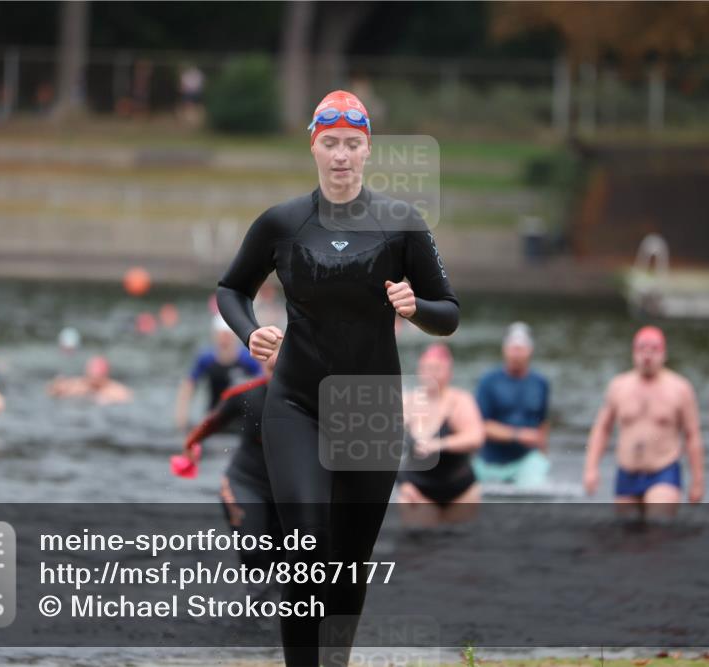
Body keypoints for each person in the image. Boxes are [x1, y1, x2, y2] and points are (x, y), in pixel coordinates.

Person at [216, 89, 459, 667]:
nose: (342, 155)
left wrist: (414, 305)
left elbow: (448, 312)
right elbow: (231, 289)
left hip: (370, 410)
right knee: (305, 543)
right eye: (331, 144)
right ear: (314, 148)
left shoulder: (401, 224)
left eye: (352, 144)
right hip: (296, 402)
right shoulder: (283, 223)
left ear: (367, 150)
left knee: (348, 564)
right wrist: (250, 330)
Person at [180, 343, 283, 599]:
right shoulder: (246, 395)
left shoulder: (310, 399)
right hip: (245, 482)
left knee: (288, 560)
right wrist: (191, 444)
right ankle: (253, 599)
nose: (274, 372)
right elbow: (211, 422)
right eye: (269, 365)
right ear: (260, 366)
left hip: (287, 489)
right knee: (253, 547)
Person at [583, 326, 704, 513]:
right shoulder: (619, 386)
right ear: (634, 353)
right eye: (642, 349)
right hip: (627, 472)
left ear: (664, 353)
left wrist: (697, 481)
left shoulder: (680, 389)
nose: (647, 356)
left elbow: (692, 436)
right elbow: (602, 429)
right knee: (627, 537)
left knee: (658, 526)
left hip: (663, 471)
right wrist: (591, 468)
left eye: (654, 350)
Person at [397, 343, 484, 525]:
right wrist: (402, 483)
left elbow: (476, 438)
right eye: (427, 368)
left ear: (449, 372)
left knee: (456, 545)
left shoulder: (459, 401)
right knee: (420, 544)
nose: (431, 374)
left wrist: (439, 444)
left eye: (437, 369)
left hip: (460, 491)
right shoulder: (410, 402)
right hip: (419, 490)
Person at [473, 322, 551, 488]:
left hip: (525, 459)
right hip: (490, 461)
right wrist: (517, 435)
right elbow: (480, 425)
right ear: (505, 349)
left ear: (529, 351)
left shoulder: (540, 383)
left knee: (538, 488)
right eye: (513, 348)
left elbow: (543, 424)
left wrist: (544, 456)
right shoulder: (489, 381)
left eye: (520, 349)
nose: (516, 354)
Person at [174, 314, 262, 431]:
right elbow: (188, 385)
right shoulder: (206, 359)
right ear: (215, 336)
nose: (224, 340)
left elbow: (264, 384)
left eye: (227, 336)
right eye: (221, 336)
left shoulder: (248, 359)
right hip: (214, 417)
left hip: (240, 419)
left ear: (234, 336)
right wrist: (182, 418)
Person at [47, 355, 133, 405]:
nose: (95, 377)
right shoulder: (79, 385)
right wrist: (56, 386)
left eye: (98, 374)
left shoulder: (115, 390)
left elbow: (127, 398)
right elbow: (52, 390)